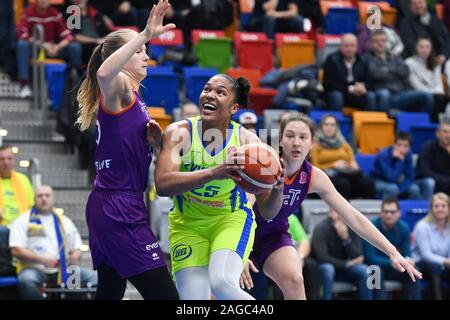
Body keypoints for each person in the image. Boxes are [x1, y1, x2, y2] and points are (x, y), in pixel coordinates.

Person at [240, 113, 422, 301]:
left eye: (303, 137)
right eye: (290, 136)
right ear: (280, 141)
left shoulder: (313, 176)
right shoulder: (264, 165)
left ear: (312, 143)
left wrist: (392, 251)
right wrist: (240, 250)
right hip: (241, 232)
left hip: (273, 236)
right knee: (219, 289)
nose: (296, 143)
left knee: (295, 280)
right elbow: (243, 212)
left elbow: (353, 217)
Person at [76, 0, 178, 300]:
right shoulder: (119, 86)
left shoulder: (134, 97)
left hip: (115, 203)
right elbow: (104, 74)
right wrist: (145, 33)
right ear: (120, 58)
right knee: (166, 297)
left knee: (110, 290)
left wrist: (155, 144)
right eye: (138, 51)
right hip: (117, 206)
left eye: (145, 50)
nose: (146, 56)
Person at [155, 73, 286, 300]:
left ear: (233, 108)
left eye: (220, 92)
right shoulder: (179, 133)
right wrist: (216, 172)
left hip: (229, 220)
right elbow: (163, 185)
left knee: (223, 282)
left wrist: (278, 188)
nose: (210, 95)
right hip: (187, 226)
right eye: (207, 89)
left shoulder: (249, 144)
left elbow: (268, 211)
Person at [9, 185, 98, 300]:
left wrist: (75, 255)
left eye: (47, 195)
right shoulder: (22, 220)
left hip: (63, 269)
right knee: (26, 280)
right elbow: (16, 250)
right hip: (35, 268)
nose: (44, 198)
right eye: (39, 196)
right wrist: (43, 260)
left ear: (53, 198)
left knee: (95, 278)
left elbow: (76, 247)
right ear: (34, 199)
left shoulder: (64, 221)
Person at [16, 0, 82, 98]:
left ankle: (75, 84)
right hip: (36, 49)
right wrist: (42, 45)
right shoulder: (28, 12)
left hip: (52, 49)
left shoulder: (54, 13)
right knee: (22, 45)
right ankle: (24, 84)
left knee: (75, 47)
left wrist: (57, 47)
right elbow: (22, 34)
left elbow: (67, 36)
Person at [363, 196, 422, 300]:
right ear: (380, 213)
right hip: (375, 267)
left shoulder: (404, 227)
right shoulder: (371, 227)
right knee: (375, 271)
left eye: (392, 212)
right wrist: (392, 262)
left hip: (395, 268)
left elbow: (406, 253)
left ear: (399, 213)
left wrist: (409, 261)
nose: (389, 215)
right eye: (386, 212)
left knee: (413, 270)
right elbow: (369, 257)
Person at [366, 29, 434, 115]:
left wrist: (386, 69)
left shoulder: (394, 57)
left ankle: (421, 125)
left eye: (383, 40)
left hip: (401, 93)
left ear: (387, 42)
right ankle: (388, 125)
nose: (380, 43)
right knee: (384, 94)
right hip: (382, 93)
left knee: (427, 96)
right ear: (371, 43)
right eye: (376, 41)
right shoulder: (367, 58)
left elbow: (405, 71)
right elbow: (376, 74)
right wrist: (394, 70)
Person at [312, 208, 373, 300]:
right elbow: (322, 257)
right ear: (330, 213)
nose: (340, 216)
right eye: (336, 211)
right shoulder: (321, 228)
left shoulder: (353, 227)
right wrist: (346, 264)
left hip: (345, 270)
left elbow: (358, 256)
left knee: (363, 270)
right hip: (324, 270)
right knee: (328, 269)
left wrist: (346, 239)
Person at [311, 114, 375, 200]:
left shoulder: (343, 143)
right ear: (321, 127)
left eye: (332, 125)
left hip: (346, 174)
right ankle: (343, 211)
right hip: (327, 176)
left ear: (336, 127)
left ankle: (367, 210)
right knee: (343, 183)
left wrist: (352, 165)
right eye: (326, 124)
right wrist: (333, 165)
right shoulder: (316, 144)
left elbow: (353, 162)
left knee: (367, 182)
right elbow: (315, 168)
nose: (329, 127)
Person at [370, 132, 435, 199]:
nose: (402, 148)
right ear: (393, 145)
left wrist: (401, 189)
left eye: (406, 146)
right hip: (378, 181)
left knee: (414, 189)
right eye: (399, 145)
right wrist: (400, 161)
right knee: (393, 188)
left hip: (397, 180)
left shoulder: (408, 153)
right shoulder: (383, 155)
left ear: (409, 147)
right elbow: (391, 178)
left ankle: (424, 207)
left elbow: (410, 176)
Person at [322, 33, 375, 111]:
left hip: (357, 94)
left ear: (357, 47)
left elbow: (369, 80)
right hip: (339, 93)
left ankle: (369, 122)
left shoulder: (364, 60)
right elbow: (328, 84)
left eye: (352, 46)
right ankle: (335, 121)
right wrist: (350, 88)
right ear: (341, 46)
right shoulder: (332, 60)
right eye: (346, 46)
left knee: (370, 96)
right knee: (337, 96)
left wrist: (363, 87)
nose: (349, 49)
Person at [412, 192, 450, 300]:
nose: (440, 209)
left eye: (443, 206)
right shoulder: (422, 226)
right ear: (431, 208)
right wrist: (446, 261)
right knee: (435, 269)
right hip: (421, 264)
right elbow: (426, 255)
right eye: (436, 206)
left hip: (443, 264)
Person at [405, 37, 450, 122]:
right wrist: (433, 93)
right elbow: (415, 85)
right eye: (421, 47)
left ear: (431, 49)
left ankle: (440, 126)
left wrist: (439, 93)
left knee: (445, 99)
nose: (424, 50)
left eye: (427, 47)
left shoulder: (435, 62)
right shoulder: (409, 62)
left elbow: (438, 84)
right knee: (436, 98)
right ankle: (432, 124)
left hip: (435, 94)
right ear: (416, 48)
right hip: (417, 93)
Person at [0, 145, 34, 231]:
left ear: (14, 160)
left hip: (22, 225)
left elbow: (31, 205)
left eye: (9, 158)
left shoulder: (23, 179)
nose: (6, 162)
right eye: (2, 159)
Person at [416, 118, 450, 193]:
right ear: (437, 133)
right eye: (445, 132)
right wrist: (445, 180)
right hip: (427, 181)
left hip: (446, 183)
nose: (448, 135)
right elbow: (425, 171)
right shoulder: (428, 147)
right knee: (430, 182)